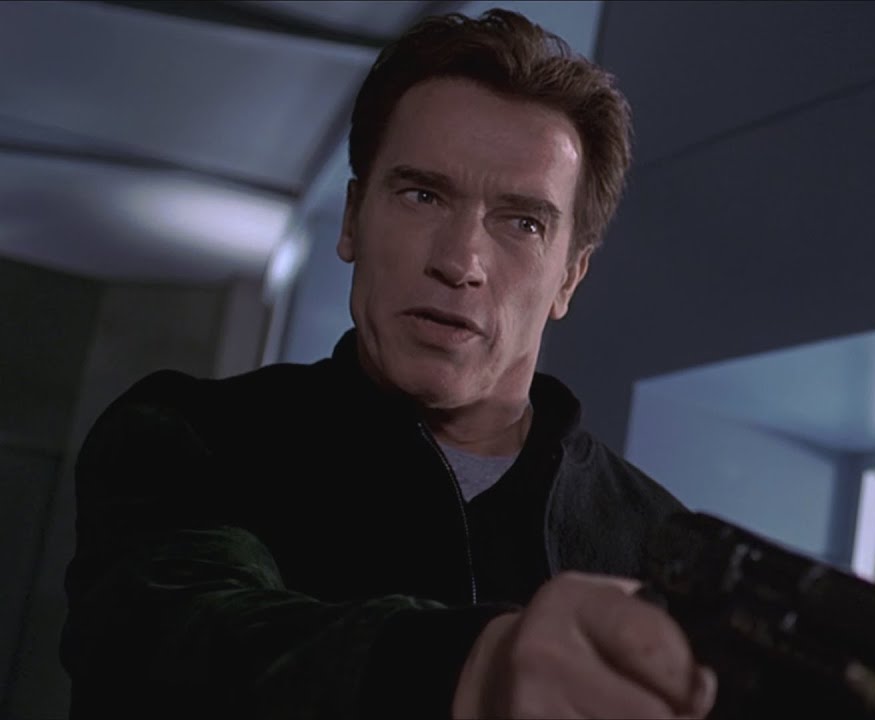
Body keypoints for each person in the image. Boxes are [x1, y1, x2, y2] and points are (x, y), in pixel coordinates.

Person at [61, 9, 716, 719]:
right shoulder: (192, 436)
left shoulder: (661, 544)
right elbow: (173, 642)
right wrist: (475, 670)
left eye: (523, 222)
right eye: (422, 195)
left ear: (569, 278)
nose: (460, 261)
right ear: (352, 219)